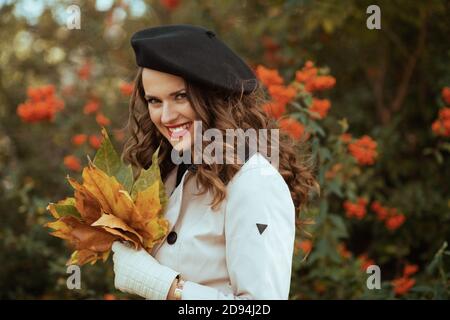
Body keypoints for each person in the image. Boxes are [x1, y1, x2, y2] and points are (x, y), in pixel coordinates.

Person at [112, 24, 318, 300]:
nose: (166, 116)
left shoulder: (254, 182)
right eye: (154, 101)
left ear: (213, 96)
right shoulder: (173, 170)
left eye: (180, 96)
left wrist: (164, 286)